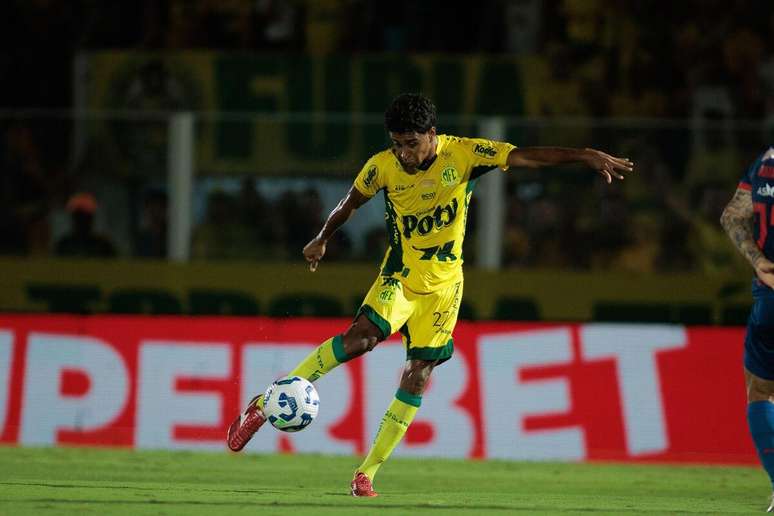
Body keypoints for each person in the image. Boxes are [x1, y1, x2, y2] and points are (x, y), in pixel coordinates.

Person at [226, 93, 633, 496]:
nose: (403, 153)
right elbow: (349, 203)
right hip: (401, 275)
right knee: (361, 338)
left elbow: (526, 157)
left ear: (432, 134)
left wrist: (584, 155)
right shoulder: (382, 167)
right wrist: (321, 238)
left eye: (411, 143)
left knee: (418, 375)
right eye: (397, 143)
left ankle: (366, 473)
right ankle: (264, 405)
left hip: (444, 288)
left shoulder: (465, 155)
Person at [720, 147, 774, 512]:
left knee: (761, 393)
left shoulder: (766, 161)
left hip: (771, 294)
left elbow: (731, 216)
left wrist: (759, 262)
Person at [55, 192, 117, 258]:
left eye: (85, 216)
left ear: (91, 218)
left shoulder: (104, 246)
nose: (82, 220)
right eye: (79, 216)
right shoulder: (63, 246)